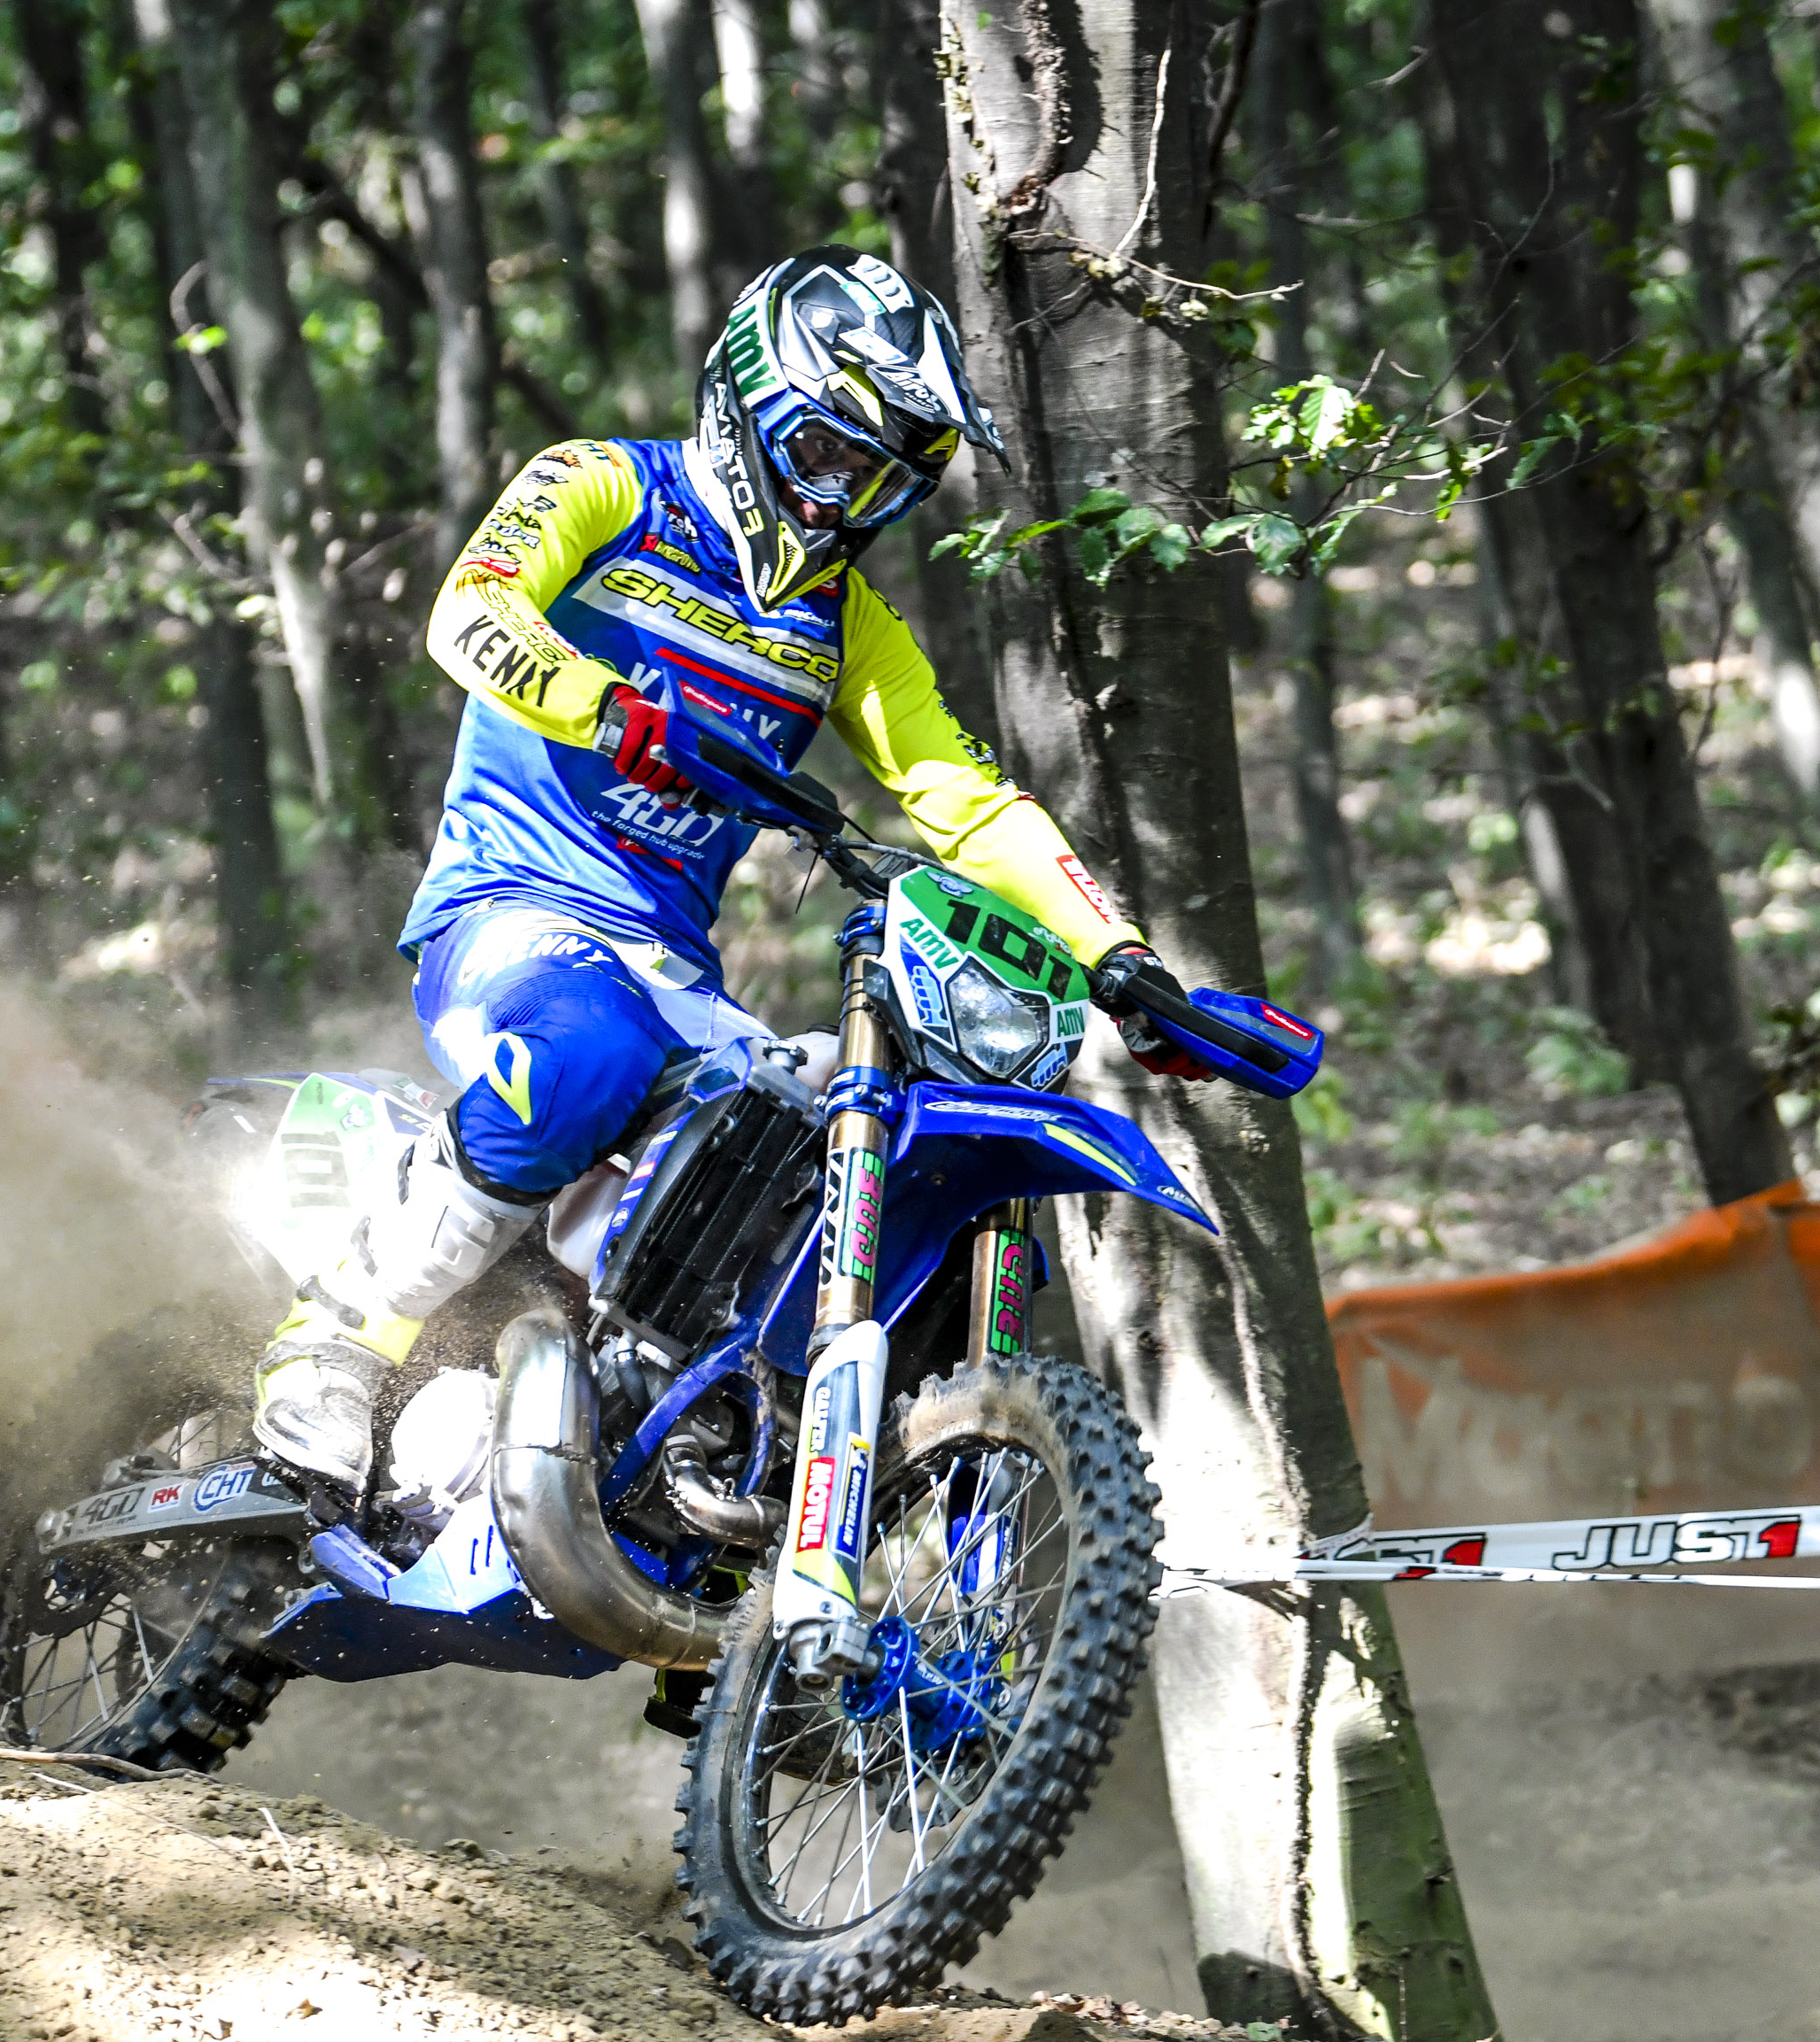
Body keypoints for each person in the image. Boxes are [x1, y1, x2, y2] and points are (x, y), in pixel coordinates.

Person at [251, 248, 1200, 1497]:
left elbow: (965, 798)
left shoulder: (845, 621)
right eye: (826, 453)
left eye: (883, 483)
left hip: (672, 973)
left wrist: (1121, 962)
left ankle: (677, 1481)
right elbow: (471, 613)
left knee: (818, 1156)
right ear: (747, 406)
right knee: (588, 1054)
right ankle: (336, 1331)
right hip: (511, 911)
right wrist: (605, 706)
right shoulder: (601, 486)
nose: (843, 503)